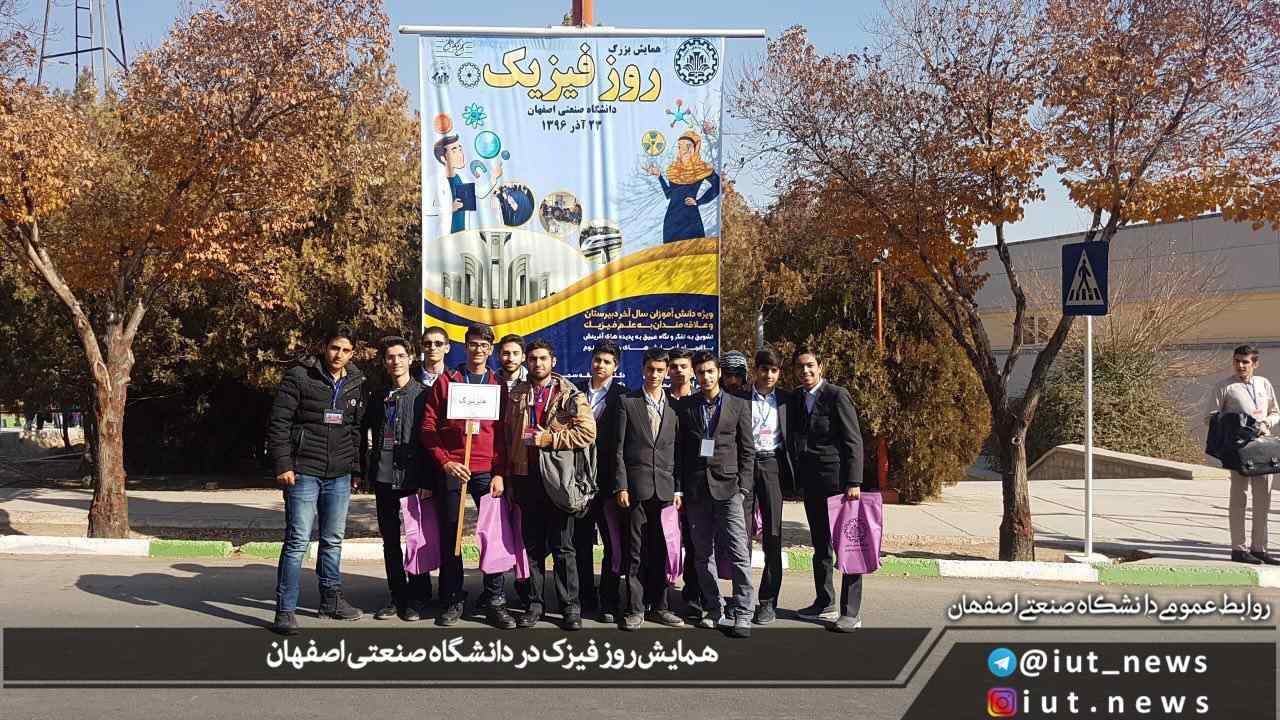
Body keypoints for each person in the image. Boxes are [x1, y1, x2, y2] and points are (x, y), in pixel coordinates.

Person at [266, 325, 367, 635]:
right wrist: (284, 464)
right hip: (303, 472)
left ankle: (330, 600)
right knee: (297, 541)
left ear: (353, 353)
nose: (339, 355)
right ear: (325, 347)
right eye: (335, 348)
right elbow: (279, 423)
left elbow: (355, 430)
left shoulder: (356, 381)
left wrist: (354, 470)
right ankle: (285, 610)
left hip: (339, 475)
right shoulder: (300, 376)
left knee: (333, 540)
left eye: (346, 350)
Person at [496, 340, 597, 630]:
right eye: (532, 359)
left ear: (553, 361)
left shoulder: (570, 394)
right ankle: (534, 604)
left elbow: (587, 432)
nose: (537, 363)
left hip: (558, 480)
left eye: (543, 358)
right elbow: (507, 437)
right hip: (525, 478)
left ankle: (570, 607)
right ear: (526, 362)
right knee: (532, 547)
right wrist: (509, 477)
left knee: (564, 547)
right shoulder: (516, 393)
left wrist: (550, 439)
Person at [420, 322, 514, 629]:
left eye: (484, 345)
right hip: (454, 468)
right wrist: (445, 462)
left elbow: (503, 435)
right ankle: (452, 598)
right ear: (465, 346)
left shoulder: (497, 385)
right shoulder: (448, 381)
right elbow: (428, 427)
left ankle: (494, 599)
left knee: (493, 536)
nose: (478, 350)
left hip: (487, 471)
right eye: (473, 344)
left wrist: (499, 473)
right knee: (452, 534)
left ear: (490, 350)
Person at [675, 351, 755, 638]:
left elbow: (748, 450)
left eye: (710, 371)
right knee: (701, 554)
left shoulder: (738, 405)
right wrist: (680, 488)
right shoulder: (687, 406)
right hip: (697, 491)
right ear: (695, 375)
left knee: (738, 552)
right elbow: (681, 452)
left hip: (730, 489)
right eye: (701, 372)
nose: (706, 377)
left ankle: (743, 612)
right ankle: (713, 608)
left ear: (719, 373)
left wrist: (743, 488)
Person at [788, 346, 865, 632]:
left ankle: (851, 612)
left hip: (839, 485)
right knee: (820, 546)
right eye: (800, 366)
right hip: (812, 485)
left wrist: (854, 482)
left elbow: (853, 440)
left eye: (810, 365)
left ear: (820, 367)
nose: (805, 371)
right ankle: (824, 601)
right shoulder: (797, 398)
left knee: (848, 547)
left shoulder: (837, 395)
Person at [361, 336, 432, 622]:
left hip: (413, 478)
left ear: (411, 359)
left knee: (416, 538)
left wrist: (427, 479)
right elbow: (364, 432)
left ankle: (418, 595)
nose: (396, 361)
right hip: (383, 478)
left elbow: (430, 440)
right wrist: (363, 471)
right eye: (390, 357)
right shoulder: (377, 396)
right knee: (389, 540)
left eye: (401, 356)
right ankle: (397, 595)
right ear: (384, 361)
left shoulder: (424, 394)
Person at [615, 348, 685, 630]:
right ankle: (634, 608)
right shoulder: (627, 402)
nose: (654, 375)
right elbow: (618, 449)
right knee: (635, 551)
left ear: (666, 372)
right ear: (642, 369)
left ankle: (660, 606)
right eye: (650, 369)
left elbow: (678, 452)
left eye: (660, 370)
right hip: (635, 489)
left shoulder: (675, 407)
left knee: (661, 550)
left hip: (665, 491)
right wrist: (621, 485)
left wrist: (677, 489)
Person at [1208, 345, 1280, 565]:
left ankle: (1259, 548)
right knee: (1239, 498)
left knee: (1263, 500)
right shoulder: (1224, 387)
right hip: (1238, 450)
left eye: (1245, 362)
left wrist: (1266, 423)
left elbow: (1275, 412)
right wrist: (1236, 425)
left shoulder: (1264, 384)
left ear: (1255, 364)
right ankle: (1238, 549)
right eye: (1237, 361)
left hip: (1263, 449)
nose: (1240, 365)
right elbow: (1210, 417)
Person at [738, 348, 795, 625]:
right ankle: (743, 599)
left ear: (779, 372)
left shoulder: (787, 400)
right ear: (755, 370)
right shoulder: (738, 398)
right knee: (742, 534)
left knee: (772, 534)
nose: (769, 375)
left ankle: (768, 601)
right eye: (764, 369)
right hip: (745, 466)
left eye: (774, 370)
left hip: (772, 465)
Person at [573, 340, 628, 622]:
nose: (601, 365)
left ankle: (609, 599)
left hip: (607, 484)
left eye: (607, 362)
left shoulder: (624, 396)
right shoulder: (574, 392)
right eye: (597, 360)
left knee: (612, 544)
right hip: (578, 483)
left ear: (615, 367)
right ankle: (585, 596)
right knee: (580, 542)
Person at [666, 347, 702, 616]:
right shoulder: (660, 400)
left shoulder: (701, 402)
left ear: (692, 370)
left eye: (683, 366)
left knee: (694, 541)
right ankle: (657, 595)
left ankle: (693, 595)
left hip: (695, 483)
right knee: (660, 539)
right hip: (663, 479)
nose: (679, 371)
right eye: (674, 366)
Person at [645, 130, 721, 244]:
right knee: (671, 253)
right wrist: (659, 176)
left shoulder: (702, 168)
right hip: (672, 219)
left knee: (695, 251)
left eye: (687, 146)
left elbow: (717, 186)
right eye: (680, 146)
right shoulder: (674, 169)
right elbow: (670, 195)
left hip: (691, 219)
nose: (683, 150)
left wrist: (699, 201)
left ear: (694, 148)